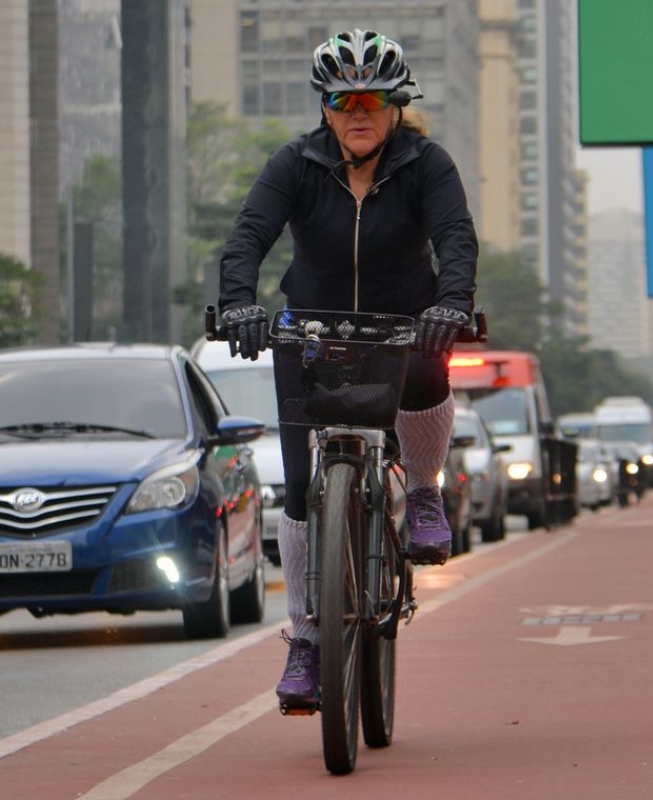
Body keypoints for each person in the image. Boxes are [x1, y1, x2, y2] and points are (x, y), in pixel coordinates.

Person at [216, 29, 478, 711]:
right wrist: (239, 304)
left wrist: (451, 304)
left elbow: (455, 237)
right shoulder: (294, 164)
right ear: (324, 106)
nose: (358, 112)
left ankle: (422, 492)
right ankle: (306, 640)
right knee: (301, 492)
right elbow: (248, 236)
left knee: (432, 357)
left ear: (395, 104)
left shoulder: (427, 165)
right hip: (311, 329)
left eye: (372, 98)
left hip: (403, 325)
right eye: (343, 99)